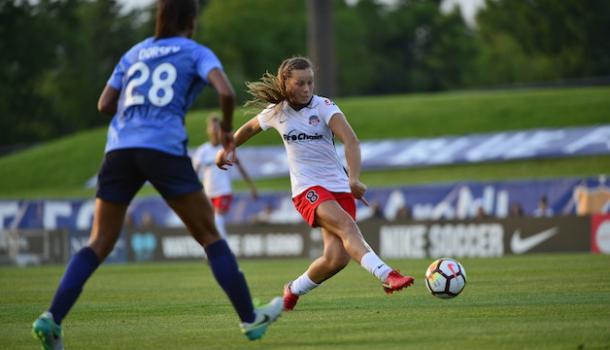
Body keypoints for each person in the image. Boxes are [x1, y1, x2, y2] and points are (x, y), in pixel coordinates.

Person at [31, 1, 282, 348]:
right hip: (162, 147)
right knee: (210, 236)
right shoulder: (195, 51)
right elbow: (224, 91)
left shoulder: (134, 52)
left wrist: (136, 110)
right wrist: (226, 132)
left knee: (99, 241)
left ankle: (52, 317)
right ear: (191, 21)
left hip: (119, 150)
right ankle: (249, 319)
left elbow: (104, 104)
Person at [216, 57, 414, 311]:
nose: (307, 88)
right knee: (347, 226)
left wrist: (353, 178)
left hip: (339, 188)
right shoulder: (277, 112)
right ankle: (388, 276)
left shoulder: (324, 107)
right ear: (285, 83)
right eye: (300, 83)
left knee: (336, 259)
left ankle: (293, 288)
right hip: (307, 189)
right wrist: (227, 149)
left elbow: (351, 141)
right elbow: (249, 129)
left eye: (310, 82)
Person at [192, 115, 258, 239]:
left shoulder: (225, 149)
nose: (214, 131)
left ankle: (223, 249)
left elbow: (240, 167)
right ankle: (214, 251)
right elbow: (194, 173)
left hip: (223, 191)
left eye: (217, 128)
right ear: (208, 130)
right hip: (208, 193)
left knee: (218, 218)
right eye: (212, 128)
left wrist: (251, 186)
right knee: (211, 223)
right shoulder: (202, 151)